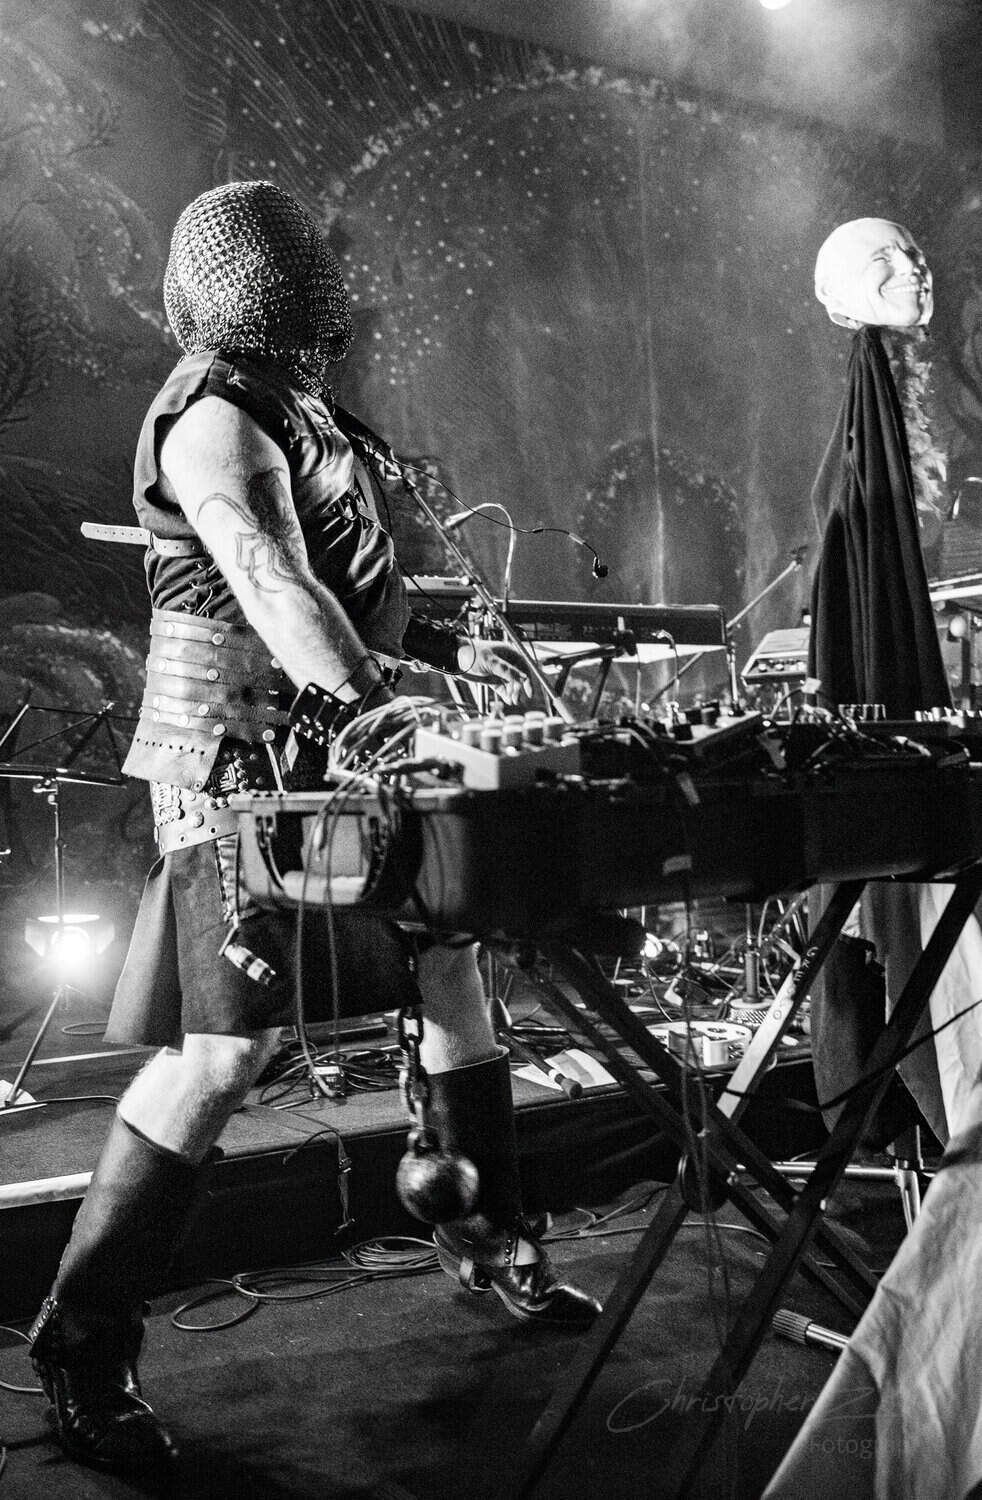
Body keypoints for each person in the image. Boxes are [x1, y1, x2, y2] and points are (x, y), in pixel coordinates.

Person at [28, 180, 600, 1473]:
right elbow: (273, 583)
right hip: (245, 763)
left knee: (455, 969)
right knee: (225, 1051)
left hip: (350, 751)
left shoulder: (310, 412)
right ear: (249, 287)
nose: (314, 288)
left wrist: (442, 661)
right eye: (289, 268)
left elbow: (356, 581)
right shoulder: (210, 420)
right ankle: (83, 1336)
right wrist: (380, 702)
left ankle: (485, 1231)